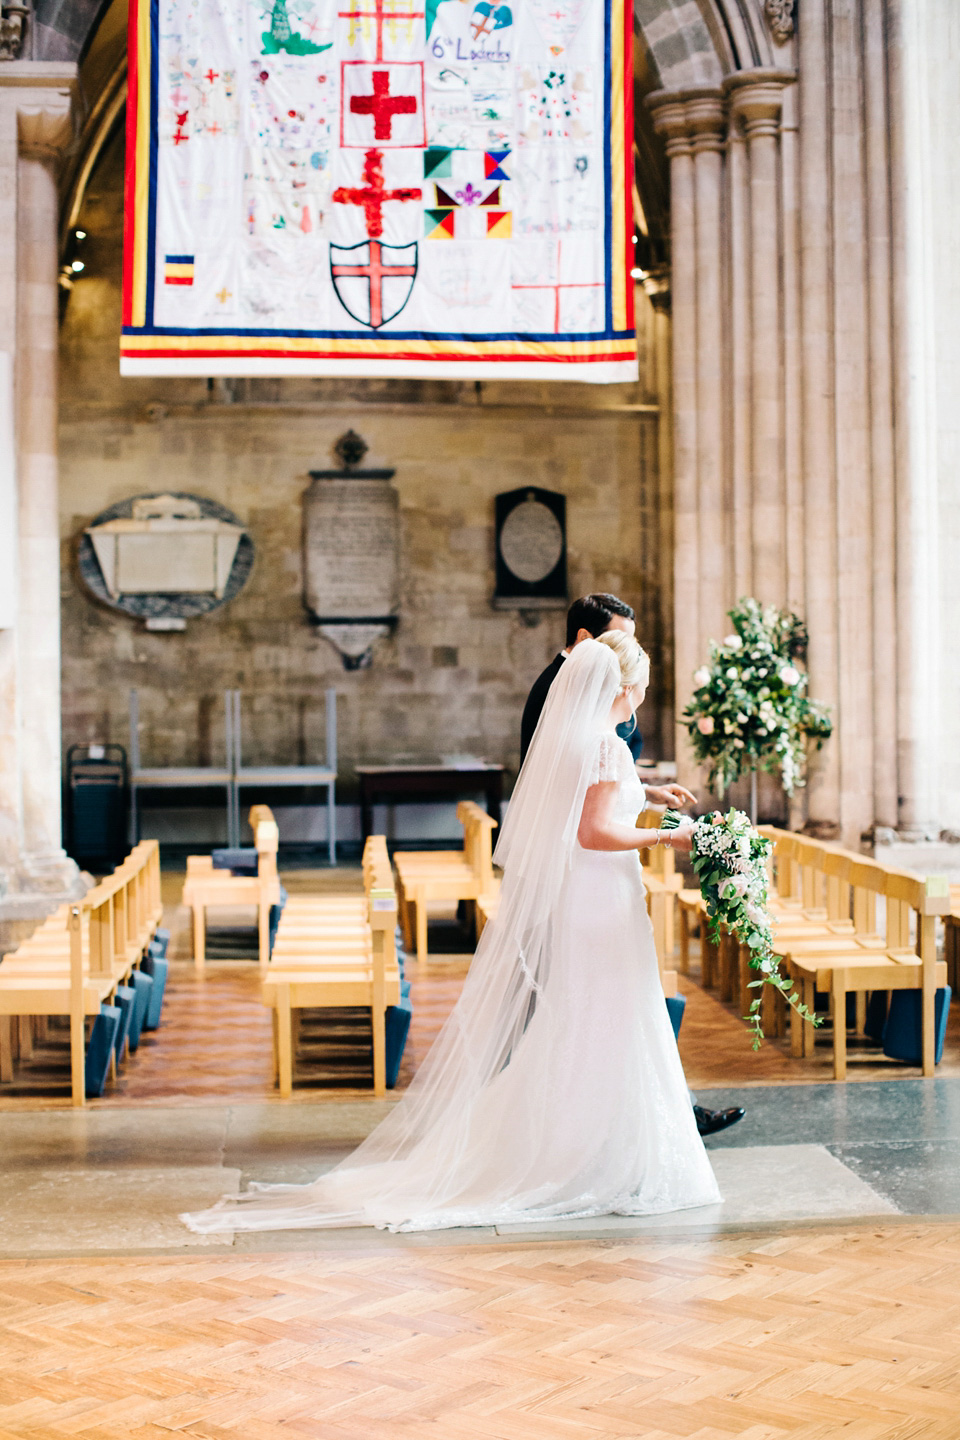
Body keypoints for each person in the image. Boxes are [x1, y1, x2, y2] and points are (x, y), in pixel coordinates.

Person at [183, 634, 721, 1236]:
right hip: (599, 897)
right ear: (626, 689)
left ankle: (586, 1142)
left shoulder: (580, 740)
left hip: (587, 897)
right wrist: (670, 837)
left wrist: (645, 798)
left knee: (589, 1015)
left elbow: (592, 802)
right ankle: (595, 1154)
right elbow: (594, 832)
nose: (642, 698)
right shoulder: (607, 745)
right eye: (642, 687)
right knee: (611, 1014)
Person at [520, 594, 745, 1140]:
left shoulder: (586, 719)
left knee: (604, 1006)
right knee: (606, 1004)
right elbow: (588, 821)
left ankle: (620, 1119)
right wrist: (670, 838)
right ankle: (610, 1126)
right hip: (596, 886)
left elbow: (586, 784)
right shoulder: (587, 721)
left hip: (594, 884)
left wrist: (641, 789)